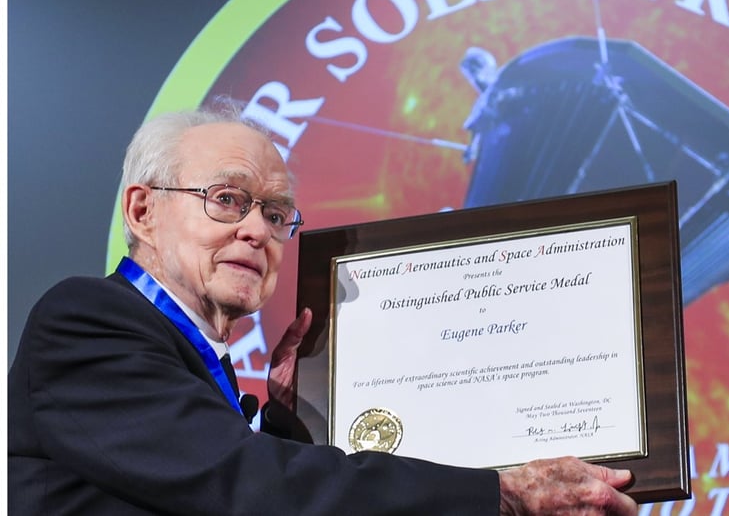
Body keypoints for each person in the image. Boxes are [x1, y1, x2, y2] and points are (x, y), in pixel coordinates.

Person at [8, 108, 638, 515]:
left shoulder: (207, 370)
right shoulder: (87, 320)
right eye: (227, 199)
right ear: (142, 211)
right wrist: (495, 492)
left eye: (276, 214)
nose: (258, 230)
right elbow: (243, 485)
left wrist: (289, 422)